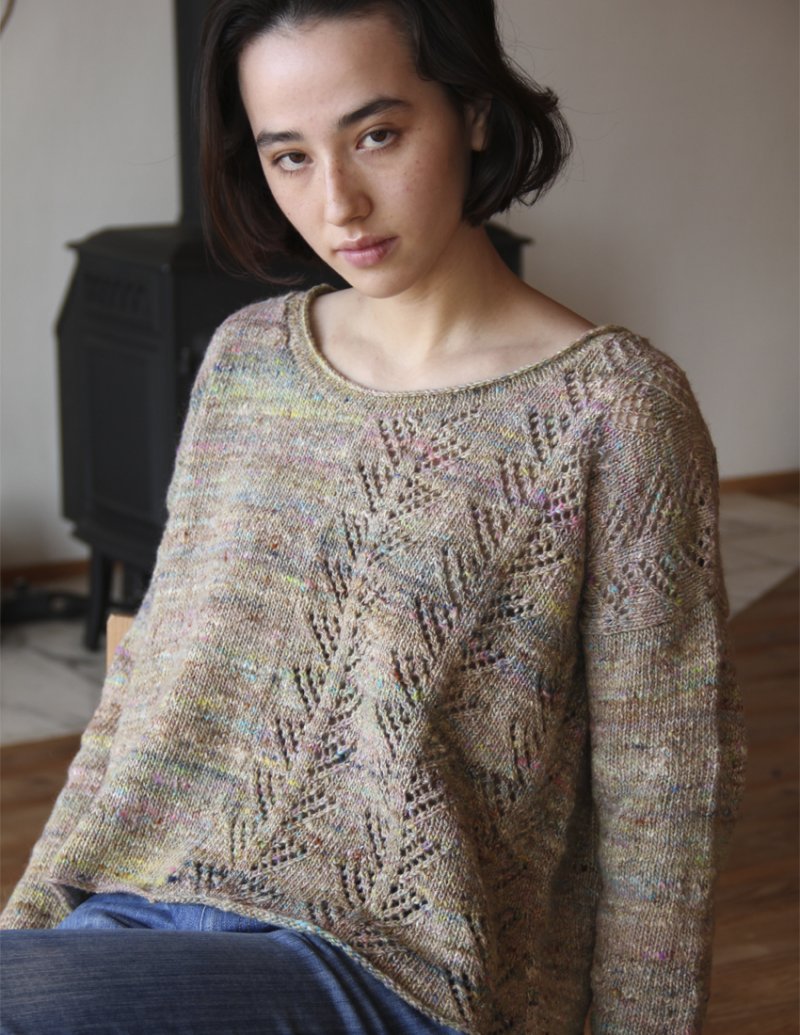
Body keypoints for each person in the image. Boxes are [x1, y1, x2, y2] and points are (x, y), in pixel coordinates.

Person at [0, 1, 746, 1032]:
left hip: (385, 964)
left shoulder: (613, 410)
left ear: (472, 111)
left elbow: (662, 795)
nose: (338, 201)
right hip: (140, 913)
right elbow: (145, 693)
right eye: (289, 156)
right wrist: (33, 923)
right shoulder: (246, 359)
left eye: (378, 134)